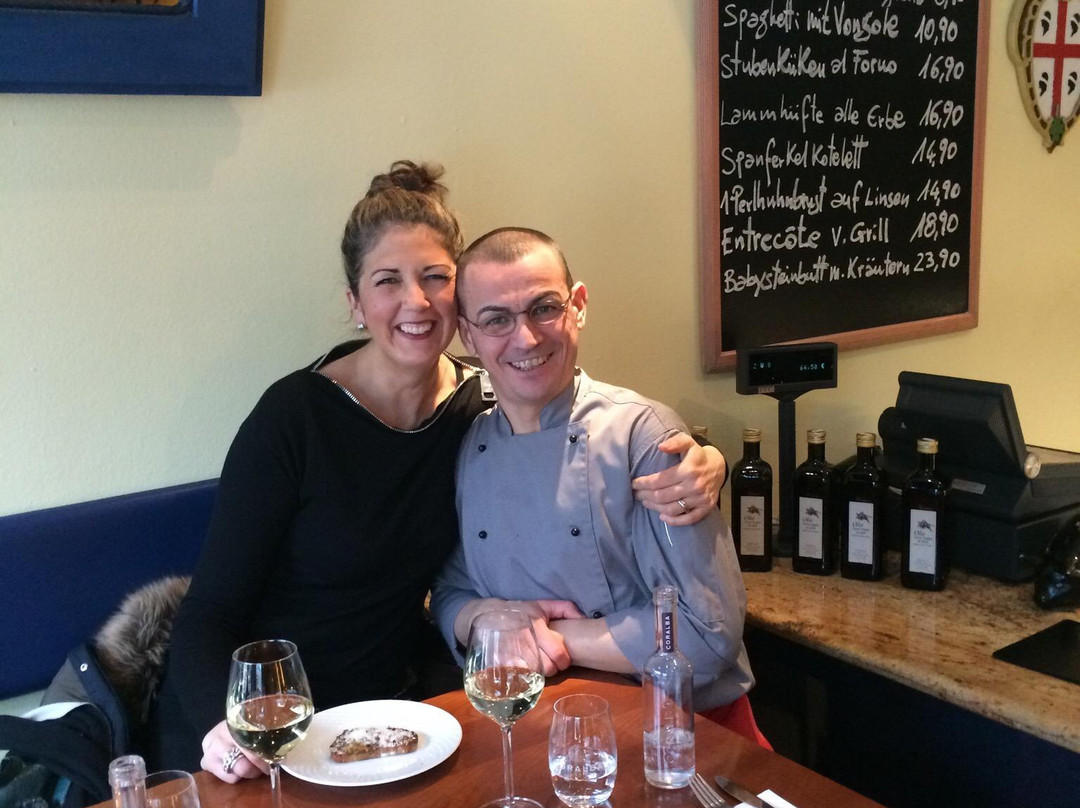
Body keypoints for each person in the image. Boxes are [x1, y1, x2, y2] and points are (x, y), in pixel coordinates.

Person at [149, 161, 728, 778]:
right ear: (355, 303)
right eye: (387, 281)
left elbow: (591, 421)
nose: (417, 302)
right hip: (271, 724)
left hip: (398, 721)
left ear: (463, 297)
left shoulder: (482, 407)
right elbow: (210, 611)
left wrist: (705, 460)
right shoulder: (295, 418)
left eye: (435, 277)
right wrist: (224, 727)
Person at [430, 227, 769, 746]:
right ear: (467, 335)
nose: (526, 338)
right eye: (496, 319)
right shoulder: (469, 445)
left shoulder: (644, 437)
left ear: (579, 306)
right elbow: (453, 589)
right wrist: (482, 618)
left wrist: (543, 637)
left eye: (545, 308)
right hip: (540, 732)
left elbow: (705, 632)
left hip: (683, 735)